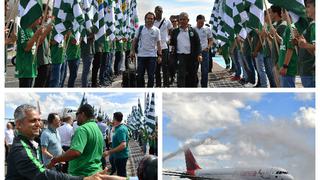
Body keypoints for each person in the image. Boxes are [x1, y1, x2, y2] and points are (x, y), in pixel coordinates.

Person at [6, 104, 108, 180]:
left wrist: (61, 157)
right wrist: (55, 160)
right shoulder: (22, 148)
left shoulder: (57, 132)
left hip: (65, 168)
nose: (39, 124)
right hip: (53, 168)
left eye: (39, 120)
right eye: (33, 121)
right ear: (18, 124)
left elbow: (63, 149)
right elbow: (42, 173)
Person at [48, 104, 104, 177]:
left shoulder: (82, 129)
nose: (76, 117)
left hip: (82, 174)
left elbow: (75, 152)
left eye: (77, 114)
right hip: (95, 172)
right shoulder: (97, 129)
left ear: (82, 114)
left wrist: (55, 160)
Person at [130, 12, 162, 87]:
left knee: (151, 76)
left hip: (152, 56)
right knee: (140, 76)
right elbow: (134, 40)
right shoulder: (140, 28)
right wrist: (132, 51)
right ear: (145, 19)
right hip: (141, 56)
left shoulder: (157, 30)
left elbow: (159, 43)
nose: (149, 20)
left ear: (154, 20)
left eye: (151, 19)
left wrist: (160, 55)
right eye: (148, 18)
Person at [170, 12, 201, 87]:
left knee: (192, 75)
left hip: (192, 57)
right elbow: (172, 44)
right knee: (181, 76)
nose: (182, 21)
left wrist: (199, 54)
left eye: (184, 19)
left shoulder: (193, 31)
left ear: (188, 20)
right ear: (179, 20)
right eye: (181, 19)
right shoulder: (175, 32)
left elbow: (198, 44)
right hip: (180, 57)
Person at [295, 0, 315, 87]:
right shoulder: (311, 24)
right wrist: (299, 40)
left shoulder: (314, 25)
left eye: (308, 6)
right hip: (305, 68)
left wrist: (305, 44)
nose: (305, 9)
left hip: (309, 70)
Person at [104, 112, 129, 177]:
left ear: (114, 118)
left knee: (121, 175)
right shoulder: (118, 127)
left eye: (113, 118)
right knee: (120, 173)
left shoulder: (121, 129)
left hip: (121, 156)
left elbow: (123, 145)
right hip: (118, 155)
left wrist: (109, 152)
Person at [154, 6, 173, 87]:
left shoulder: (167, 21)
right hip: (154, 48)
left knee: (165, 67)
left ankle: (166, 85)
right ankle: (158, 85)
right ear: (155, 12)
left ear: (162, 11)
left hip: (164, 47)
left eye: (160, 11)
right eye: (157, 11)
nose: (159, 12)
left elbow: (171, 30)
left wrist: (169, 39)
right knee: (156, 69)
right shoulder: (152, 21)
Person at [194, 15, 213, 87]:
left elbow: (211, 40)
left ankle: (204, 85)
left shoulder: (207, 29)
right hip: (195, 52)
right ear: (197, 21)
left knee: (205, 71)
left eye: (203, 22)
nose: (201, 24)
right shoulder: (193, 29)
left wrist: (208, 47)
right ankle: (195, 84)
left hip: (204, 51)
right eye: (200, 22)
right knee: (194, 70)